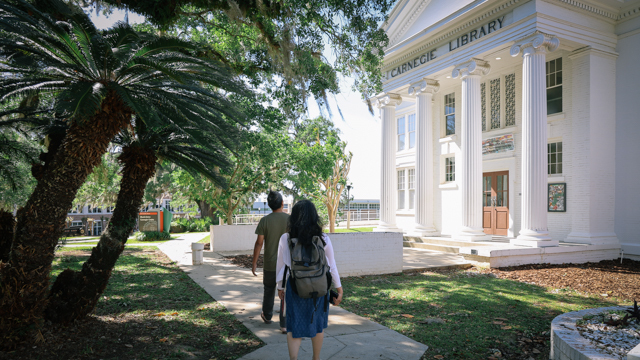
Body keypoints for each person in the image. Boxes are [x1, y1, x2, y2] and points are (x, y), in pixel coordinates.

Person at [276, 200, 343, 360]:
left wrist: (280, 287)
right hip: (319, 288)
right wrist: (338, 287)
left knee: (293, 327)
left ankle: (294, 358)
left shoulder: (286, 238)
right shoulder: (323, 238)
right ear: (314, 217)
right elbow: (331, 265)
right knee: (318, 325)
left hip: (295, 286)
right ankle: (316, 358)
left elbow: (281, 266)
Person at [252, 190, 290, 332]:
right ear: (282, 203)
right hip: (286, 265)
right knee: (284, 293)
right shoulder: (290, 220)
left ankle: (267, 316)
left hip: (270, 264)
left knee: (269, 290)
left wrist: (254, 262)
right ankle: (284, 324)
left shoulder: (265, 221)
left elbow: (259, 243)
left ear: (269, 205)